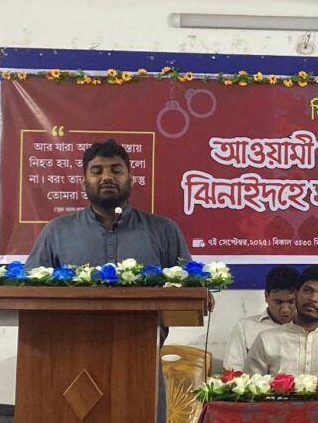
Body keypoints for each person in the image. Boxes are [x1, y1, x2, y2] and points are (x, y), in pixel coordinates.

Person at [25, 138, 199, 423]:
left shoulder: (163, 230)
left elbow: (190, 288)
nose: (107, 177)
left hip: (141, 364)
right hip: (68, 366)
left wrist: (199, 293)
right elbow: (28, 291)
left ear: (131, 177)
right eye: (97, 171)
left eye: (116, 170)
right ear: (84, 180)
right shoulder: (57, 232)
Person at [223, 265, 299, 371]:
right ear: (266, 296)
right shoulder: (245, 328)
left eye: (291, 302)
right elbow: (232, 370)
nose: (285, 309)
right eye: (278, 302)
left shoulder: (309, 329)